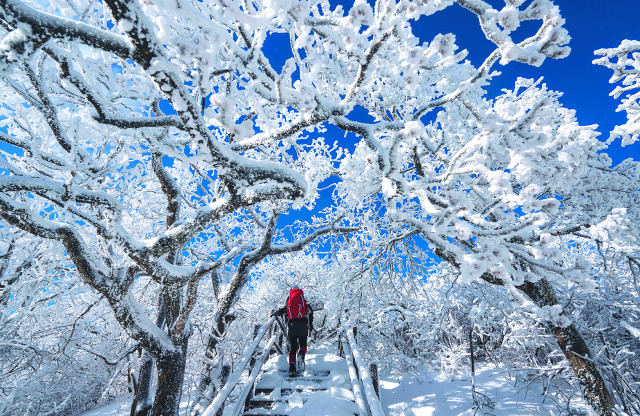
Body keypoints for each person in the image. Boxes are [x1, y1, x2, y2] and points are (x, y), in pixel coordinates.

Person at [273, 285, 314, 376]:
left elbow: (283, 310)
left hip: (292, 325)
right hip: (302, 325)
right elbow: (310, 312)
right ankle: (301, 354)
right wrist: (310, 324)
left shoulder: (289, 302)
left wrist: (275, 314)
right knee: (303, 344)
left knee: (293, 348)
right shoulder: (303, 301)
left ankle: (292, 370)